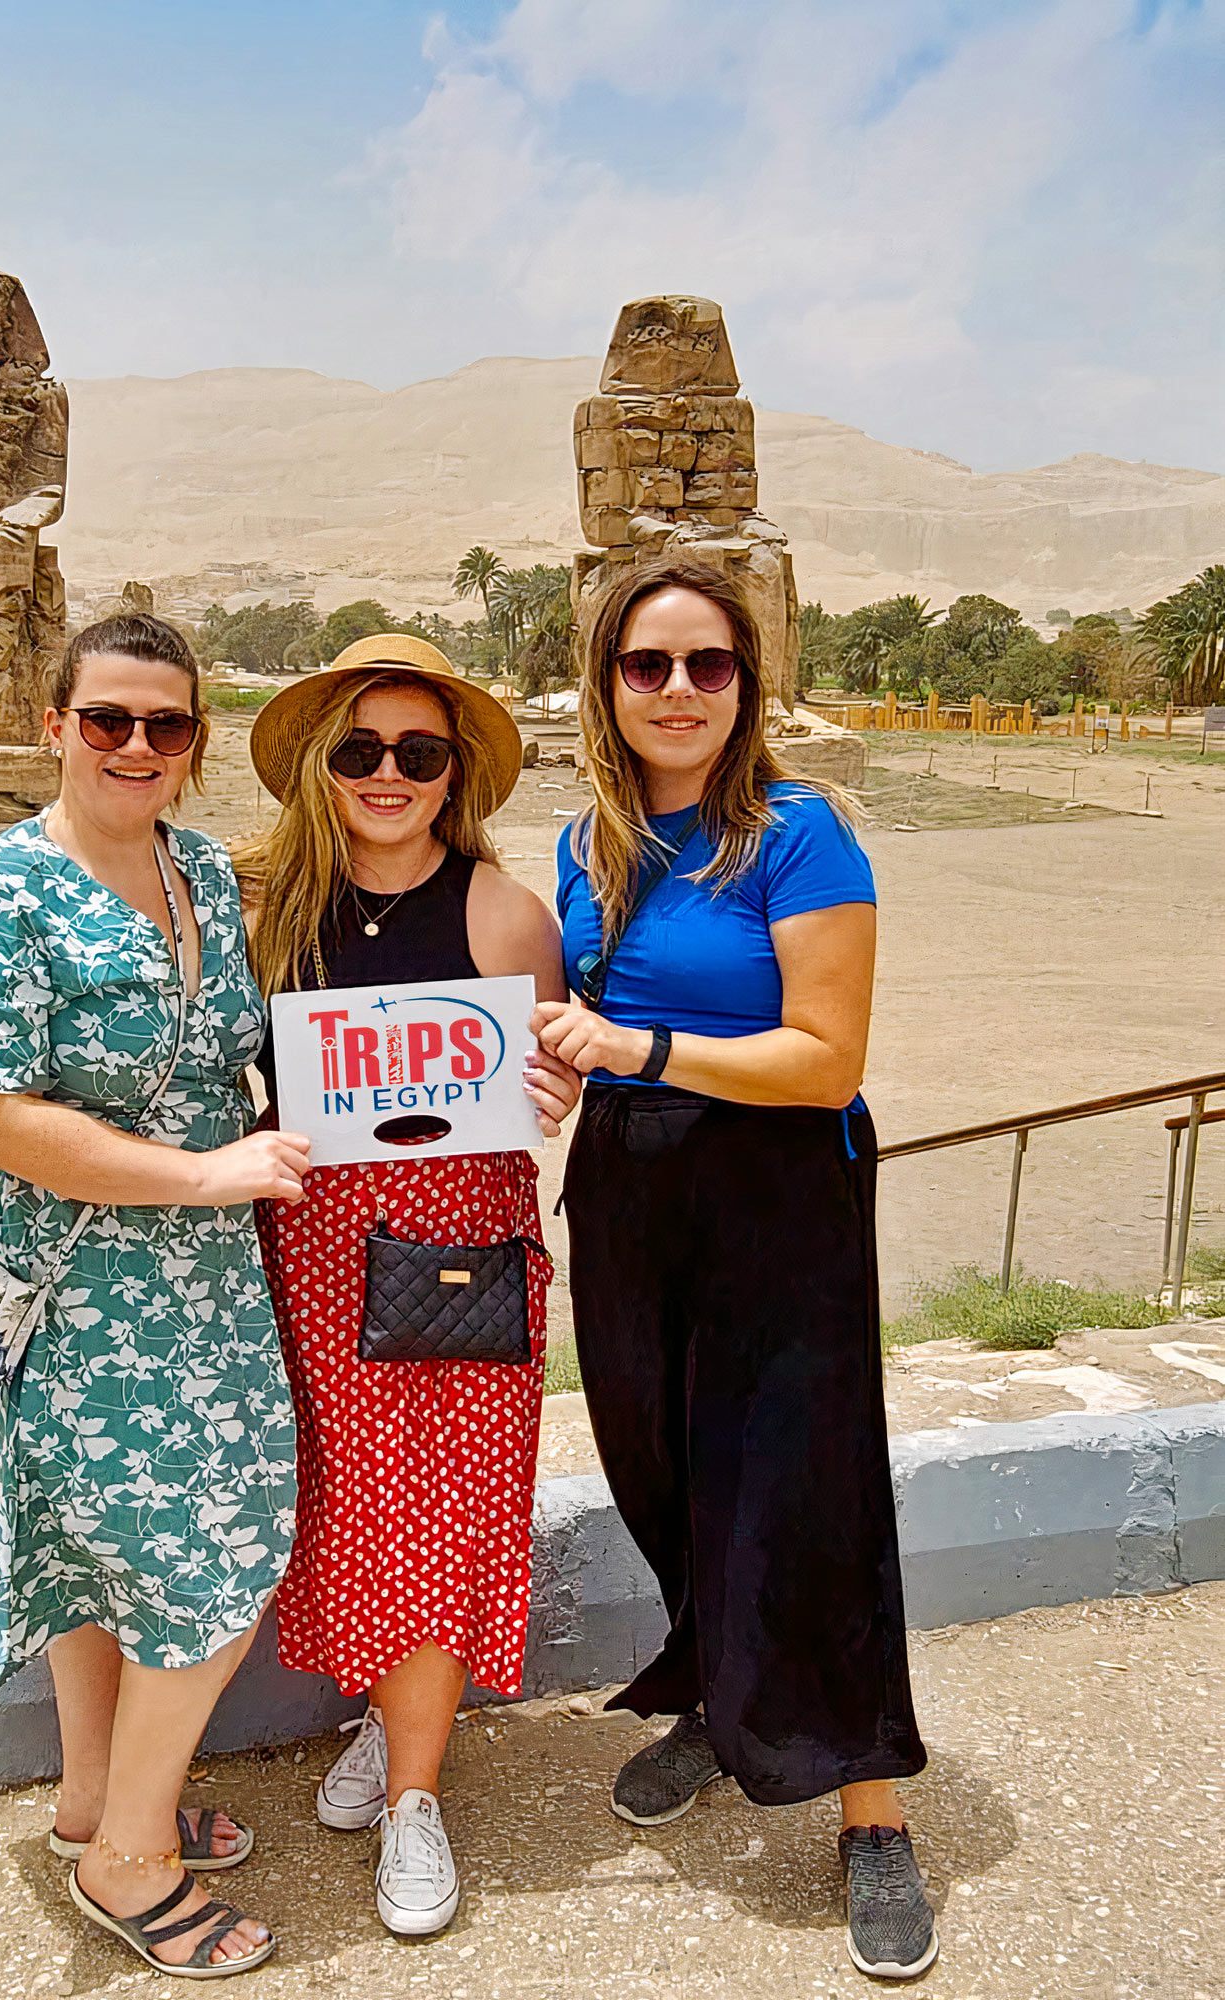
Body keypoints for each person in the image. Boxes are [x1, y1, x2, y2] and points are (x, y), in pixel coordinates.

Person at [533, 559, 938, 1983]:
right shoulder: (587, 843)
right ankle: (720, 1695)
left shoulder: (798, 830)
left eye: (709, 665)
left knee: (801, 1482)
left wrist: (630, 1050)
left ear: (745, 684)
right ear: (608, 686)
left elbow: (826, 1055)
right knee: (659, 1461)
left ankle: (869, 1805)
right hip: (630, 1187)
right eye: (649, 667)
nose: (680, 692)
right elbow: (579, 1015)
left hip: (776, 1183)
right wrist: (545, 1073)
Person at [0, 612, 307, 1978]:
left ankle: (97, 1797)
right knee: (220, 1548)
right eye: (107, 721)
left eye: (166, 725)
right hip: (74, 1295)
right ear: (55, 726)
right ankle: (128, 1861)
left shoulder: (203, 871)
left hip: (204, 1287)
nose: (136, 747)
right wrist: (204, 1175)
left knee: (112, 1556)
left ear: (195, 743)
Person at [239, 634, 580, 1939]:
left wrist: (560, 1088)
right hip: (312, 1256)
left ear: (453, 778)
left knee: (442, 1512)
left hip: (457, 1259)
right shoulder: (262, 904)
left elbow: (542, 1087)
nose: (388, 774)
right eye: (360, 749)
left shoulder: (502, 916)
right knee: (342, 1508)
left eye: (417, 754)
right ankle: (389, 1722)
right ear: (321, 767)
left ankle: (414, 1801)